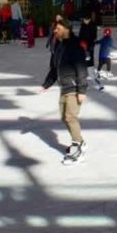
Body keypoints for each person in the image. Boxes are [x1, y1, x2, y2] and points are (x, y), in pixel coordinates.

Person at [41, 19, 89, 164]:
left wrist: (82, 90)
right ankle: (80, 142)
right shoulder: (60, 47)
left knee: (70, 118)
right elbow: (55, 68)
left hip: (74, 88)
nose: (55, 31)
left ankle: (77, 151)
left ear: (66, 30)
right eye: (55, 29)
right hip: (64, 87)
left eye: (58, 28)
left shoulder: (75, 46)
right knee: (64, 117)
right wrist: (46, 84)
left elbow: (82, 69)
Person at [79, 14, 102, 91]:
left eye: (86, 20)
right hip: (83, 47)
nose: (85, 21)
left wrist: (90, 47)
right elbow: (80, 35)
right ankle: (85, 81)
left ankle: (95, 80)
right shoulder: (83, 25)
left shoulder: (93, 26)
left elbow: (94, 37)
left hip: (89, 47)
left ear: (89, 19)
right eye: (84, 20)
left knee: (90, 64)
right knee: (83, 64)